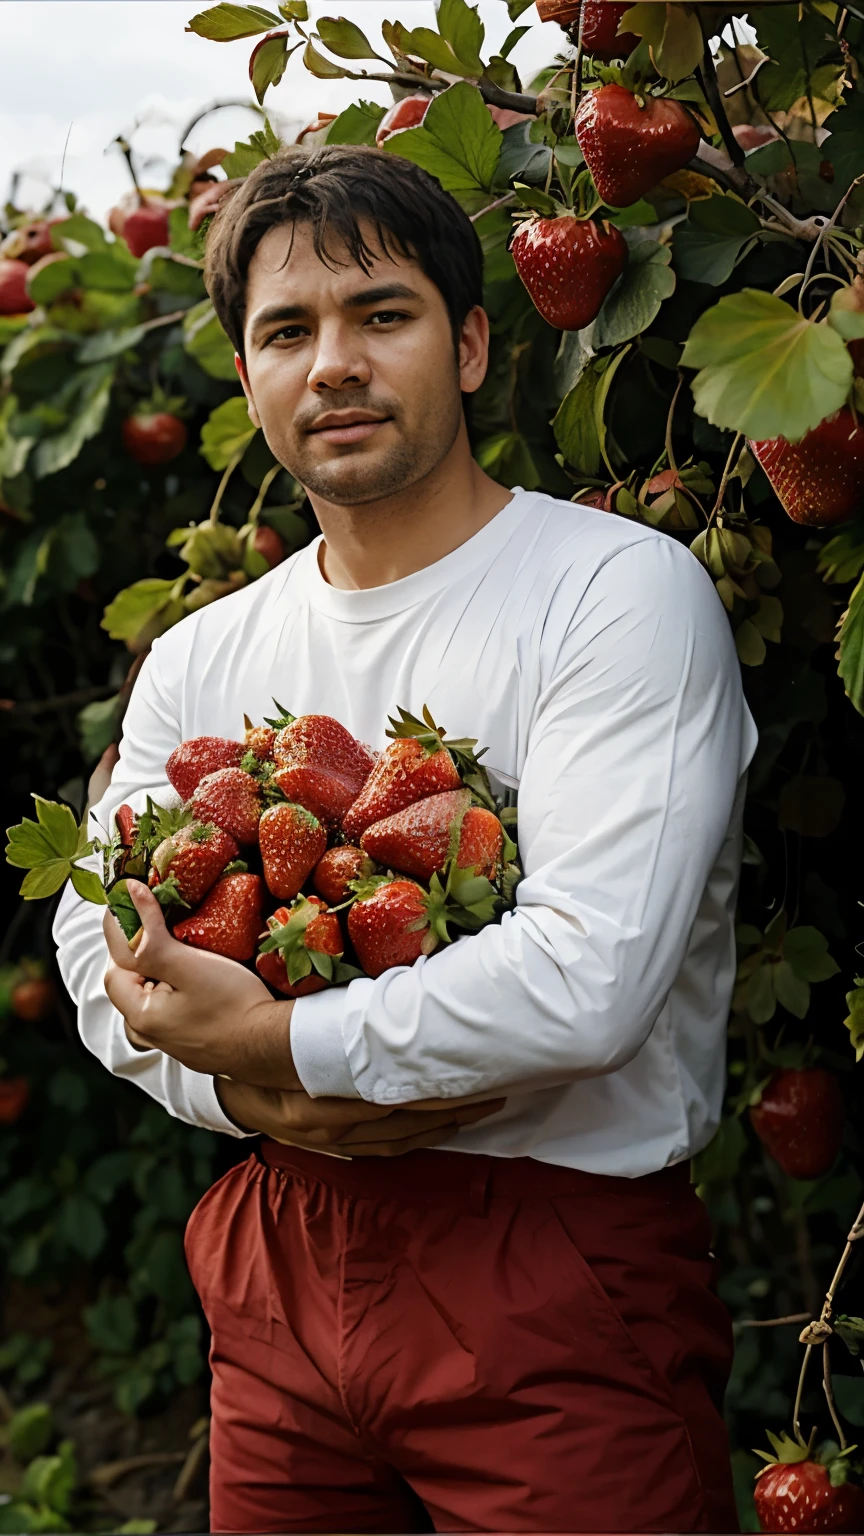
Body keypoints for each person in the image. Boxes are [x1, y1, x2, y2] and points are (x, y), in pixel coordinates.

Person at [53, 143, 757, 1535]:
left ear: (475, 344)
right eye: (286, 331)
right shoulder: (200, 658)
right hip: (279, 1258)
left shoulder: (617, 594)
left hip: (555, 1264)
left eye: (383, 314)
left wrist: (272, 1045)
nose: (335, 364)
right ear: (248, 377)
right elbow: (95, 950)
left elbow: (586, 978)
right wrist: (251, 1102)